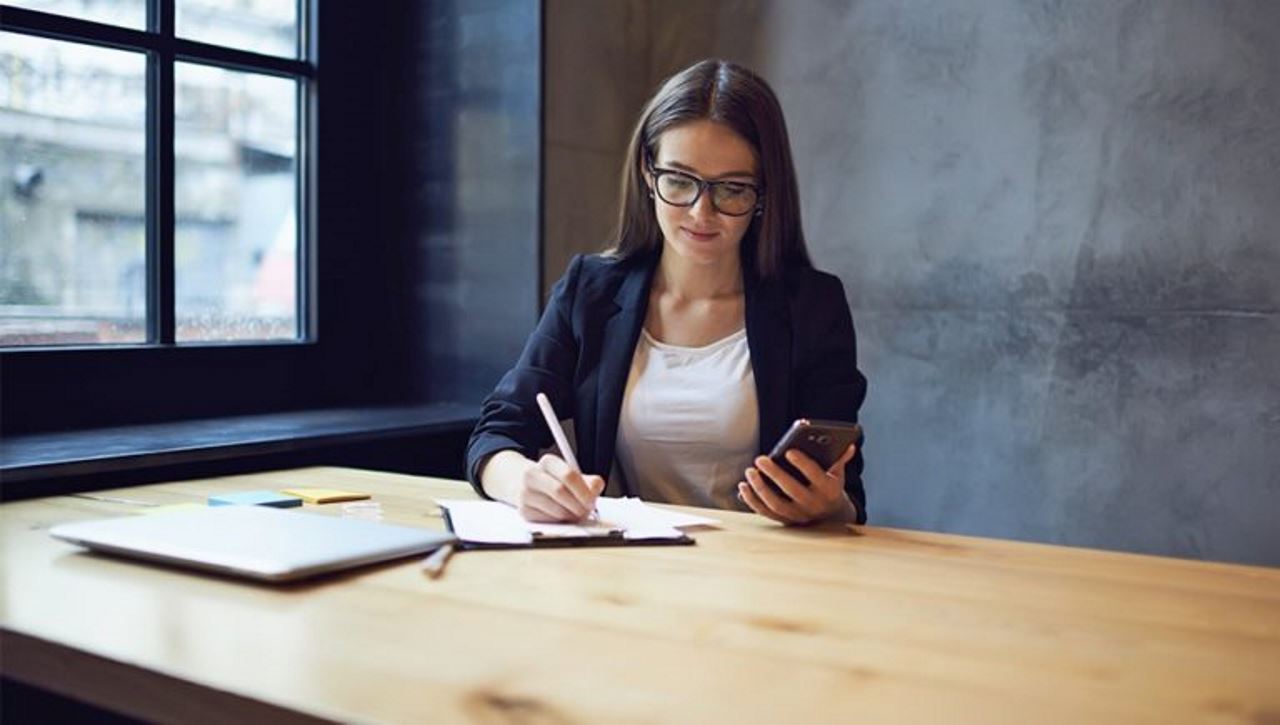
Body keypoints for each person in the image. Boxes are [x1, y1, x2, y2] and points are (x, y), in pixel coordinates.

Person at [465, 59, 867, 526]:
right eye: (679, 181)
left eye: (732, 189)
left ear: (764, 194)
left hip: (761, 573)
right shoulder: (590, 292)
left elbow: (849, 497)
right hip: (625, 571)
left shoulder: (812, 307)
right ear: (647, 172)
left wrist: (828, 507)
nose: (701, 213)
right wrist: (522, 482)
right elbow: (495, 435)